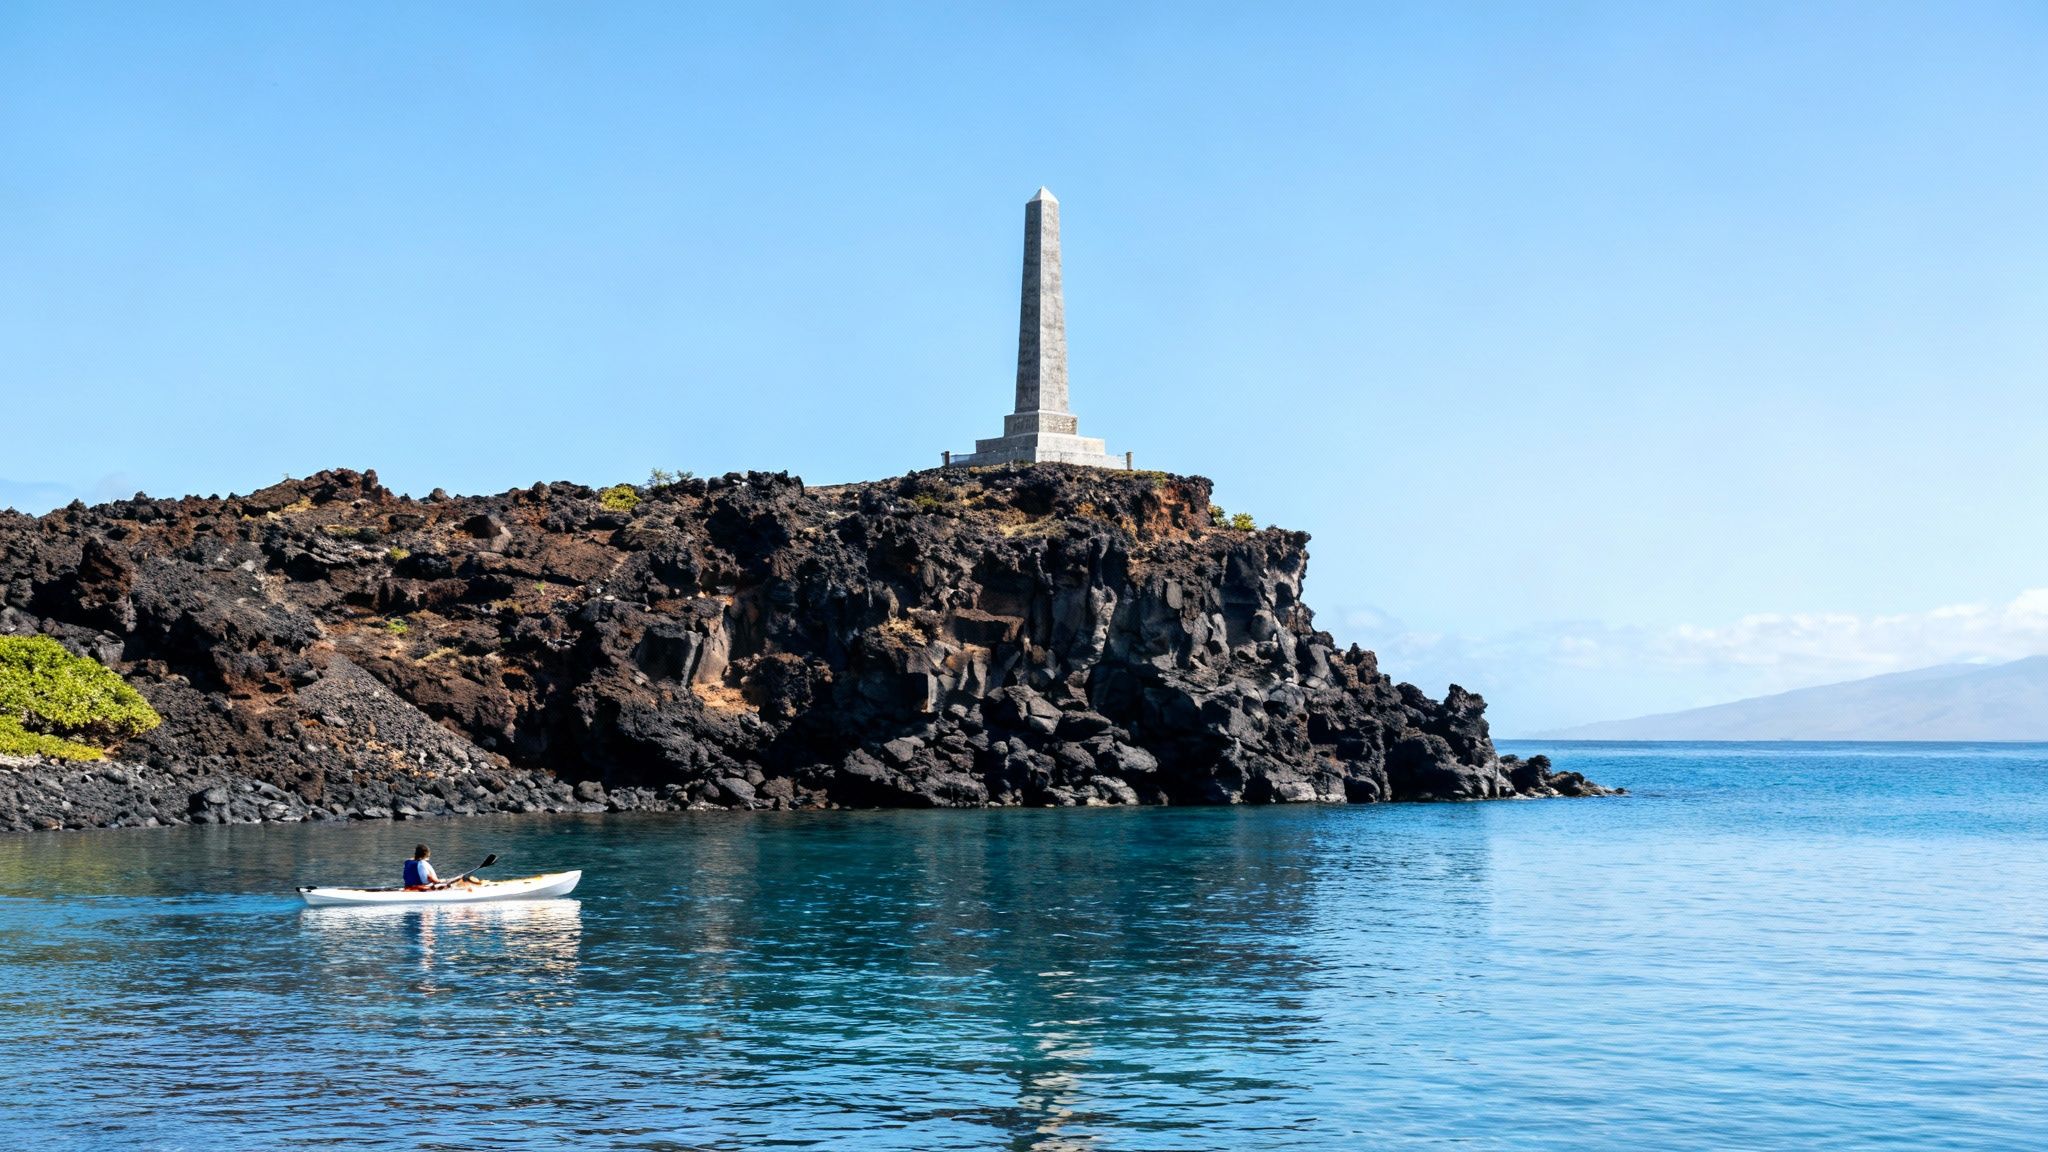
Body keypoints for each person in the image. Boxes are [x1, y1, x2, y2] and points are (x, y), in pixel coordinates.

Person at [402, 844, 480, 890]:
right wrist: (442, 882)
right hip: (423, 888)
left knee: (449, 880)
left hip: (408, 887)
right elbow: (430, 878)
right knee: (456, 881)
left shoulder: (408, 862)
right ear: (427, 854)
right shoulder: (423, 864)